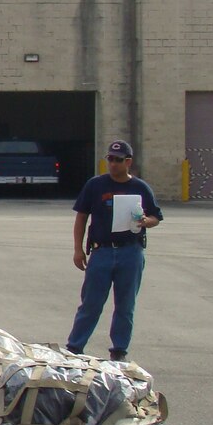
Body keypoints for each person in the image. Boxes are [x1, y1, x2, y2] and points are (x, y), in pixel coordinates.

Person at [65, 140, 163, 361]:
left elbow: (157, 216)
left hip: (131, 252)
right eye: (109, 159)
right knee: (91, 303)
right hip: (102, 252)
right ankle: (74, 348)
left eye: (118, 160)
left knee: (125, 304)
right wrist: (78, 249)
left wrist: (147, 221)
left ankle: (119, 351)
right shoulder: (95, 185)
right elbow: (81, 216)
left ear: (128, 162)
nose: (113, 164)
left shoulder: (140, 188)